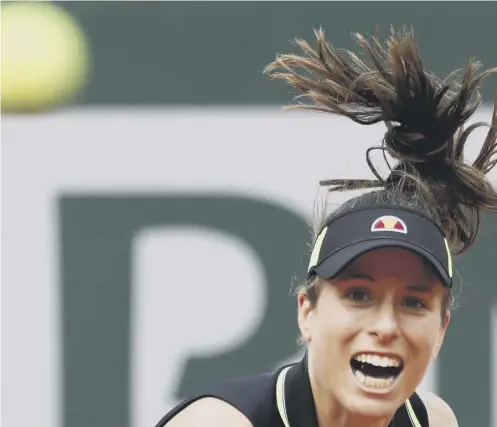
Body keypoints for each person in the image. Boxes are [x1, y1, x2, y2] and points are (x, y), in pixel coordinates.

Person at [155, 28, 497, 427]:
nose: (385, 326)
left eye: (414, 302)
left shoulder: (433, 421)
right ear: (307, 312)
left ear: (441, 329)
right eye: (357, 294)